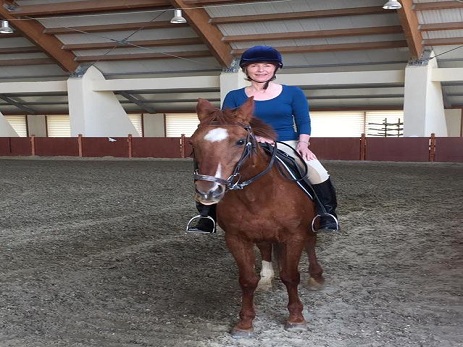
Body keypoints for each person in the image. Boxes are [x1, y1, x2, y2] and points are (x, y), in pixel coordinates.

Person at [187, 45, 339, 234]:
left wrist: (303, 144)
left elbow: (303, 120)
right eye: (255, 66)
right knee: (212, 171)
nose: (261, 70)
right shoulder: (235, 96)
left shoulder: (293, 93)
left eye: (267, 65)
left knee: (318, 173)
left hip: (286, 143)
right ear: (246, 69)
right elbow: (227, 125)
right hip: (247, 144)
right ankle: (207, 217)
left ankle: (326, 215)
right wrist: (254, 138)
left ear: (275, 68)